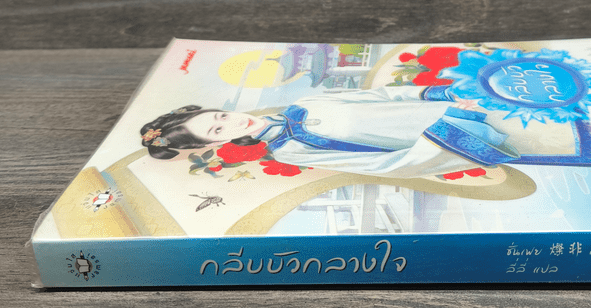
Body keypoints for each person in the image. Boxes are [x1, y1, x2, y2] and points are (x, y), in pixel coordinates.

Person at [140, 85, 527, 179]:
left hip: (466, 104)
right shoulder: (289, 149)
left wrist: (443, 94)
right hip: (462, 132)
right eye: (217, 129)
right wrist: (448, 132)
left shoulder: (305, 102)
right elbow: (385, 167)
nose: (232, 122)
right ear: (217, 142)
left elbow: (381, 96)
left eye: (222, 115)